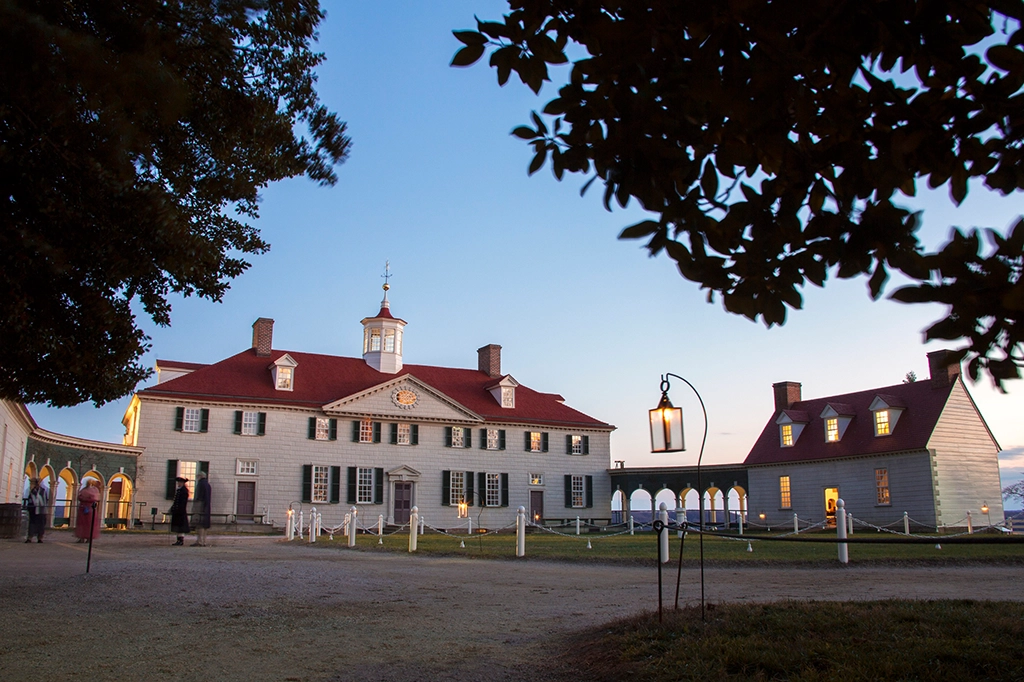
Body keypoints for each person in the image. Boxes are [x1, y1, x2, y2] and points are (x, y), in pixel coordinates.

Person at [23, 478, 48, 543]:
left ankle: (40, 538)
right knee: (32, 524)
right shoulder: (32, 491)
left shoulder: (43, 491)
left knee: (41, 525)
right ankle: (30, 537)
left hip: (41, 510)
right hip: (33, 510)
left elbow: (45, 500)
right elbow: (30, 499)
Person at [191, 471, 211, 547]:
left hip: (200, 506)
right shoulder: (208, 485)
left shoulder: (200, 484)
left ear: (200, 476)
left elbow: (198, 497)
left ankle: (199, 541)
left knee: (200, 525)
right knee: (205, 526)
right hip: (207, 507)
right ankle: (204, 541)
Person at [169, 476, 190, 546]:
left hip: (181, 511)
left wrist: (179, 509)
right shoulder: (179, 490)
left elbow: (183, 502)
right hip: (177, 511)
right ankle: (178, 539)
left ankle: (181, 540)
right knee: (178, 526)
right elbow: (176, 501)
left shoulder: (184, 491)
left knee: (181, 527)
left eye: (180, 482)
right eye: (178, 482)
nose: (179, 483)